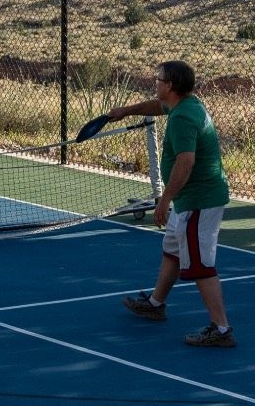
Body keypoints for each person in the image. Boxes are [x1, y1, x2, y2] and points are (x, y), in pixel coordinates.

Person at [99, 59, 235, 347]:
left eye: (158, 79)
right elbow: (156, 106)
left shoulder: (183, 118)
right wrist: (125, 111)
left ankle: (221, 330)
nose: (155, 82)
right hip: (189, 200)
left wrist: (165, 200)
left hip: (200, 201)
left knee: (201, 265)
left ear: (170, 85)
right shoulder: (184, 104)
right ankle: (156, 303)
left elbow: (186, 162)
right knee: (172, 249)